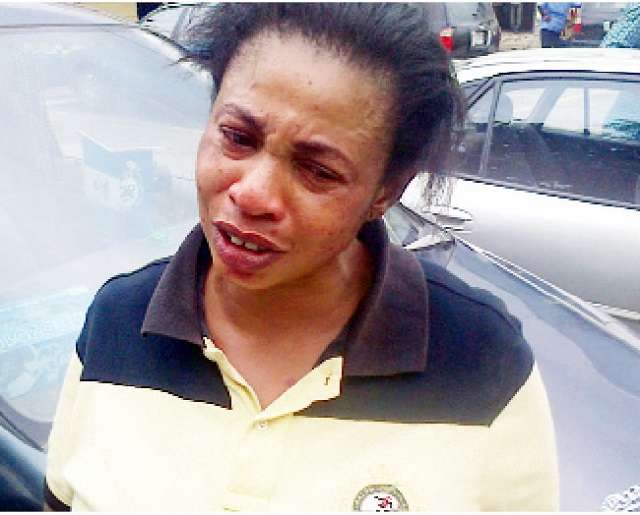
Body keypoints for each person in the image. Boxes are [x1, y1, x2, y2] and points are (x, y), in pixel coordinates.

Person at [44, 4, 559, 511]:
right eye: (237, 138)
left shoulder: (482, 363)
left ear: (385, 192)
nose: (253, 194)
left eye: (318, 171)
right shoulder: (117, 324)